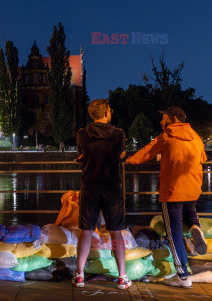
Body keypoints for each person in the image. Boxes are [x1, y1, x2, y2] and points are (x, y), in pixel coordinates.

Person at [126, 106, 207, 288]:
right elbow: (202, 157)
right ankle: (196, 226)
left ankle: (183, 276)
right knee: (189, 213)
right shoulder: (195, 136)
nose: (161, 122)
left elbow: (144, 154)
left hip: (172, 192)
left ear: (173, 119)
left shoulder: (167, 136)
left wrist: (129, 159)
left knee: (174, 233)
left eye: (164, 118)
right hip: (193, 188)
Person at [72, 99, 130, 289]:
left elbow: (83, 154)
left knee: (86, 232)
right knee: (116, 233)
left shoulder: (82, 133)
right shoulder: (118, 134)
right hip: (112, 188)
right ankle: (122, 277)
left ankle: (79, 275)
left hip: (89, 187)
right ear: (106, 113)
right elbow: (120, 153)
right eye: (110, 110)